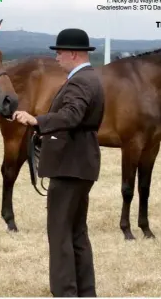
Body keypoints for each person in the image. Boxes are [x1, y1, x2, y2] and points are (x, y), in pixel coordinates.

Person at [12, 28, 105, 297]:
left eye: (60, 53)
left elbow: (72, 115)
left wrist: (37, 121)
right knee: (76, 232)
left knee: (60, 233)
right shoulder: (91, 78)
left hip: (70, 165)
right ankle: (85, 291)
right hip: (81, 164)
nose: (57, 58)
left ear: (73, 54)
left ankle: (65, 292)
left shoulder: (79, 82)